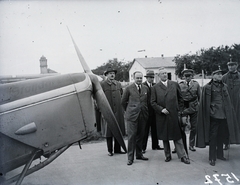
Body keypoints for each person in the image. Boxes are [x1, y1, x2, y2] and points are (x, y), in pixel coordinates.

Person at [196, 68, 240, 166]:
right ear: (213, 76)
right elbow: (205, 102)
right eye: (218, 74)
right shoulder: (208, 87)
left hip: (224, 116)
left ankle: (220, 154)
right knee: (213, 137)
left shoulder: (225, 86)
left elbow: (229, 102)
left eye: (221, 74)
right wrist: (212, 111)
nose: (220, 75)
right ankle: (212, 158)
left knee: (221, 136)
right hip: (214, 116)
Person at [151, 67, 190, 164]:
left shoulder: (174, 84)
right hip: (162, 116)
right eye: (162, 73)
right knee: (165, 136)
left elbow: (181, 100)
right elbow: (152, 102)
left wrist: (180, 111)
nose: (164, 75)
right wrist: (161, 109)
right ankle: (167, 155)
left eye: (165, 73)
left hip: (174, 115)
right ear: (158, 76)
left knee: (177, 136)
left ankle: (182, 156)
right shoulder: (155, 87)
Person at [121, 71, 149, 165]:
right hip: (132, 116)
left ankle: (139, 154)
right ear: (133, 78)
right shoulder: (128, 88)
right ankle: (130, 158)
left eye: (141, 78)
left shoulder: (145, 88)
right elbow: (123, 102)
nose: (139, 80)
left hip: (143, 115)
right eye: (137, 78)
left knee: (141, 136)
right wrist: (130, 111)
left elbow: (147, 102)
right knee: (132, 137)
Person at [101, 66, 126, 156]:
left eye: (113, 73)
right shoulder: (102, 84)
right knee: (109, 131)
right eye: (110, 73)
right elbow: (98, 99)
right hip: (108, 111)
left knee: (118, 129)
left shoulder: (118, 84)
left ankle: (117, 149)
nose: (112, 75)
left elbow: (122, 96)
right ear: (106, 75)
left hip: (118, 111)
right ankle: (110, 150)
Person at [179, 68, 201, 152]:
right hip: (184, 108)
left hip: (194, 108)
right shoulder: (180, 85)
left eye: (189, 76)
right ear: (183, 77)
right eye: (186, 76)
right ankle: (180, 145)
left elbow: (200, 96)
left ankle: (191, 145)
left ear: (192, 76)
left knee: (194, 127)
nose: (188, 78)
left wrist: (199, 106)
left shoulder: (196, 84)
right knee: (182, 126)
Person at [142, 70, 164, 153]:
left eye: (152, 77)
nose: (151, 79)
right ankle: (143, 147)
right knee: (145, 130)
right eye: (150, 77)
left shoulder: (155, 86)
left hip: (155, 112)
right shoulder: (143, 86)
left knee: (155, 129)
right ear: (146, 78)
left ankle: (155, 145)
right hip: (146, 111)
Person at [222, 60, 240, 150]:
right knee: (227, 124)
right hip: (228, 104)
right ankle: (226, 142)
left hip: (238, 105)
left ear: (237, 65)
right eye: (229, 65)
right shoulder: (224, 77)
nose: (231, 67)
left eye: (233, 65)